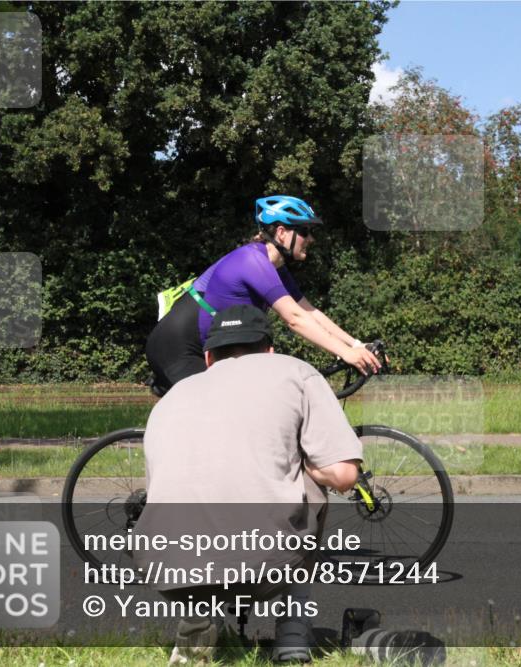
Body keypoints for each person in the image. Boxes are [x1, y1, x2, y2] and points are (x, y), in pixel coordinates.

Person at [134, 304, 364, 665]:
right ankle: (292, 635)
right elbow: (345, 475)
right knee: (308, 474)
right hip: (262, 565)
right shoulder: (295, 372)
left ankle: (204, 612)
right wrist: (305, 465)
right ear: (269, 351)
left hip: (166, 567)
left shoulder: (173, 397)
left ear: (208, 357)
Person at [145, 195, 381, 394]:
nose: (311, 238)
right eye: (305, 230)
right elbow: (294, 319)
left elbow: (309, 312)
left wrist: (357, 344)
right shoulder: (252, 260)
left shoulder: (274, 267)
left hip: (211, 347)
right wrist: (345, 353)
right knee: (224, 420)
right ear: (281, 232)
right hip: (178, 348)